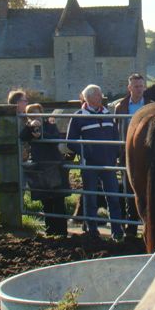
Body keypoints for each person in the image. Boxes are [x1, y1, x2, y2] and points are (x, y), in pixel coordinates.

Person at [67, 84, 124, 241]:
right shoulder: (79, 117)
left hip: (108, 163)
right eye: (98, 95)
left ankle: (117, 230)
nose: (101, 97)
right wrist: (87, 152)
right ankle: (92, 230)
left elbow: (115, 135)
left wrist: (115, 153)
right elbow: (70, 141)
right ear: (89, 98)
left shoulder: (107, 114)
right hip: (90, 165)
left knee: (113, 197)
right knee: (90, 198)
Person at [20, 103, 69, 237]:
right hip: (40, 168)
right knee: (46, 200)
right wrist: (30, 127)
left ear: (42, 113)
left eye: (37, 113)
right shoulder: (30, 128)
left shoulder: (50, 125)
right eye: (31, 114)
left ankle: (62, 232)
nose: (35, 116)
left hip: (53, 165)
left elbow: (55, 139)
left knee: (58, 200)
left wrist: (41, 134)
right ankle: (50, 231)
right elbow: (22, 137)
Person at [114, 73, 148, 238]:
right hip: (127, 154)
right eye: (136, 86)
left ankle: (148, 226)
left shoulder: (151, 105)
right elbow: (116, 129)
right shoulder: (120, 107)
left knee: (147, 189)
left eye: (141, 86)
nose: (139, 89)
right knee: (129, 189)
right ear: (129, 88)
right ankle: (131, 227)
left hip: (147, 153)